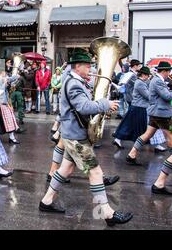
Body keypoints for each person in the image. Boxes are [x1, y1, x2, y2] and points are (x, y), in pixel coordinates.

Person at [39, 50, 133, 227]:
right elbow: (83, 107)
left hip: (72, 135)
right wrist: (105, 104)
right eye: (87, 65)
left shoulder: (76, 81)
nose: (91, 68)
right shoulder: (74, 84)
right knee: (95, 172)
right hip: (76, 138)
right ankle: (107, 213)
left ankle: (46, 201)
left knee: (65, 170)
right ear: (77, 66)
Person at [126, 62, 172, 195]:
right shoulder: (158, 81)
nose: (169, 74)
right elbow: (167, 96)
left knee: (147, 134)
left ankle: (132, 155)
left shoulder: (156, 80)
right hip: (162, 115)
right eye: (168, 72)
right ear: (164, 71)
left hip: (155, 113)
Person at [0, 68, 20, 144]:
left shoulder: (3, 78)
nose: (5, 74)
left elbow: (10, 79)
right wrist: (4, 84)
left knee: (9, 120)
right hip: (0, 103)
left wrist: (17, 76)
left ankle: (12, 138)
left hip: (5, 102)